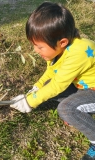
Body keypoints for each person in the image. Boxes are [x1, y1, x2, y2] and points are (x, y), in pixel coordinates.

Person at [10, 2, 95, 160]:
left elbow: (59, 84)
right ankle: (81, 108)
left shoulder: (80, 51)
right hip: (85, 88)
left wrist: (31, 102)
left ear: (62, 42)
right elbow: (51, 73)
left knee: (66, 109)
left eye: (40, 47)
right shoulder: (58, 49)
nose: (35, 51)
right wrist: (36, 88)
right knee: (48, 88)